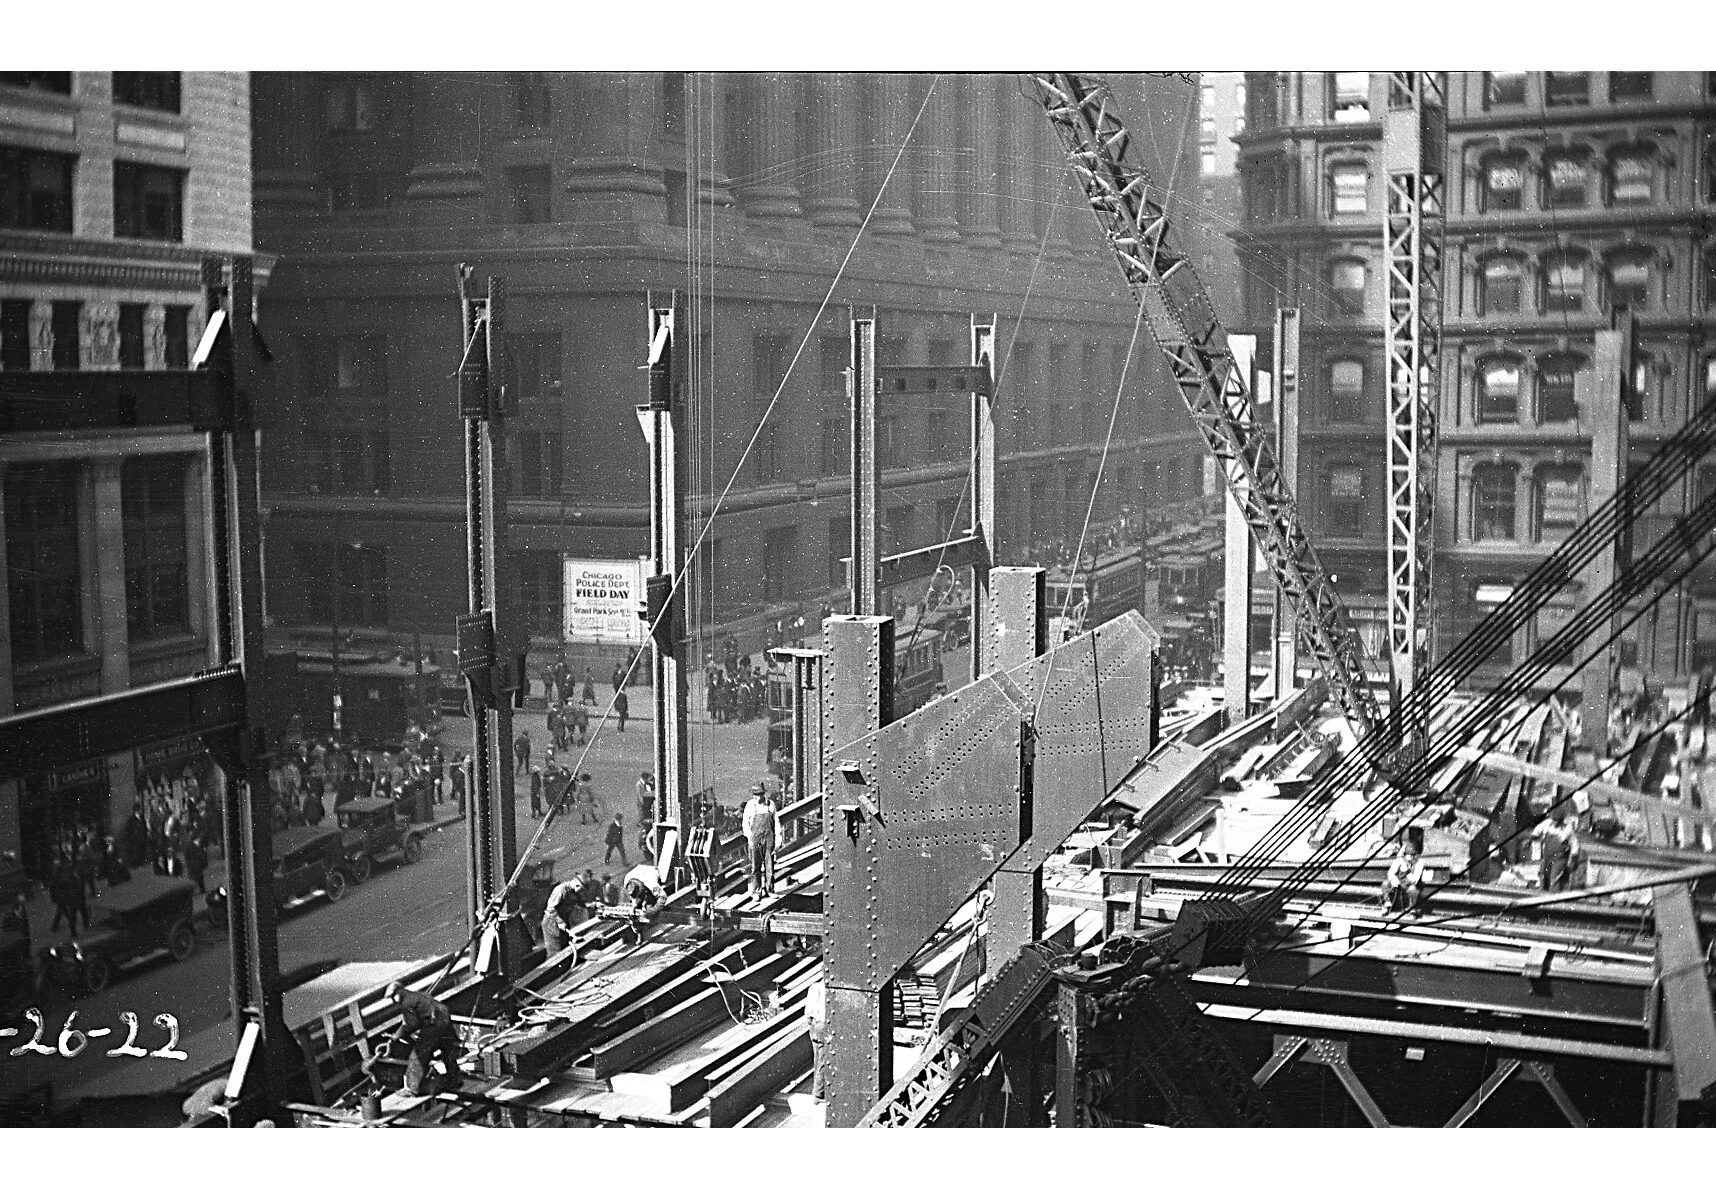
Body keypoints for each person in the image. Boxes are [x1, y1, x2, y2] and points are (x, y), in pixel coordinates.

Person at [384, 982, 465, 1097]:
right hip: (444, 1019)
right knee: (447, 1050)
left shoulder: (406, 1003)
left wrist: (397, 1035)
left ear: (399, 992)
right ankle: (455, 1080)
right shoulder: (416, 995)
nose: (393, 1001)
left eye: (393, 997)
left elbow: (412, 1025)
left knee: (417, 1055)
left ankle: (412, 1089)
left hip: (434, 1025)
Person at [742, 784, 777, 901]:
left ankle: (769, 890)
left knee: (769, 865)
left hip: (768, 838)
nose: (756, 797)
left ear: (763, 794)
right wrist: (749, 838)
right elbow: (745, 824)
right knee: (755, 866)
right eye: (754, 794)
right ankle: (756, 892)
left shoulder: (770, 804)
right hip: (755, 838)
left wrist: (779, 838)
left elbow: (776, 822)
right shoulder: (750, 806)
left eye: (758, 794)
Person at [540, 875, 588, 956]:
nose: (581, 892)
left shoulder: (574, 891)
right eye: (581, 889)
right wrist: (560, 921)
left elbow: (581, 903)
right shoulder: (561, 890)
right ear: (577, 885)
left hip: (563, 922)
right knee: (555, 953)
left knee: (566, 948)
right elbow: (550, 908)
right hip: (551, 924)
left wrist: (594, 904)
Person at [1540, 811, 1579, 892]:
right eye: (1554, 819)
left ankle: (1553, 898)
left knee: (1554, 880)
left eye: (1558, 820)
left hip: (1559, 859)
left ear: (1562, 820)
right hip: (1547, 858)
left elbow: (1574, 845)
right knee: (1543, 879)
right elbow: (1541, 839)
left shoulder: (1567, 830)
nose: (1555, 822)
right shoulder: (1548, 827)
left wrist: (1572, 860)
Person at [805, 973, 827, 1102]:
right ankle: (818, 1094)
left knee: (818, 1058)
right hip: (823, 1025)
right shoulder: (826, 989)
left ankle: (817, 1091)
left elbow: (808, 1013)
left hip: (814, 1025)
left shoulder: (814, 987)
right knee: (823, 1059)